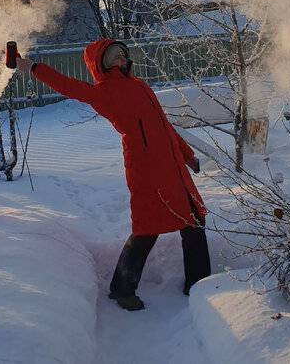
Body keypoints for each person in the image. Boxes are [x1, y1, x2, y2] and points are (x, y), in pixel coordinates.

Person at [16, 39, 210, 311]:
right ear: (102, 64)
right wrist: (35, 68)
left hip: (173, 166)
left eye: (122, 55)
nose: (121, 59)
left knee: (195, 220)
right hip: (147, 170)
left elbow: (164, 125)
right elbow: (69, 87)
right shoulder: (104, 92)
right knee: (147, 230)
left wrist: (187, 155)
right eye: (113, 57)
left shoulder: (140, 85)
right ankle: (121, 289)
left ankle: (199, 284)